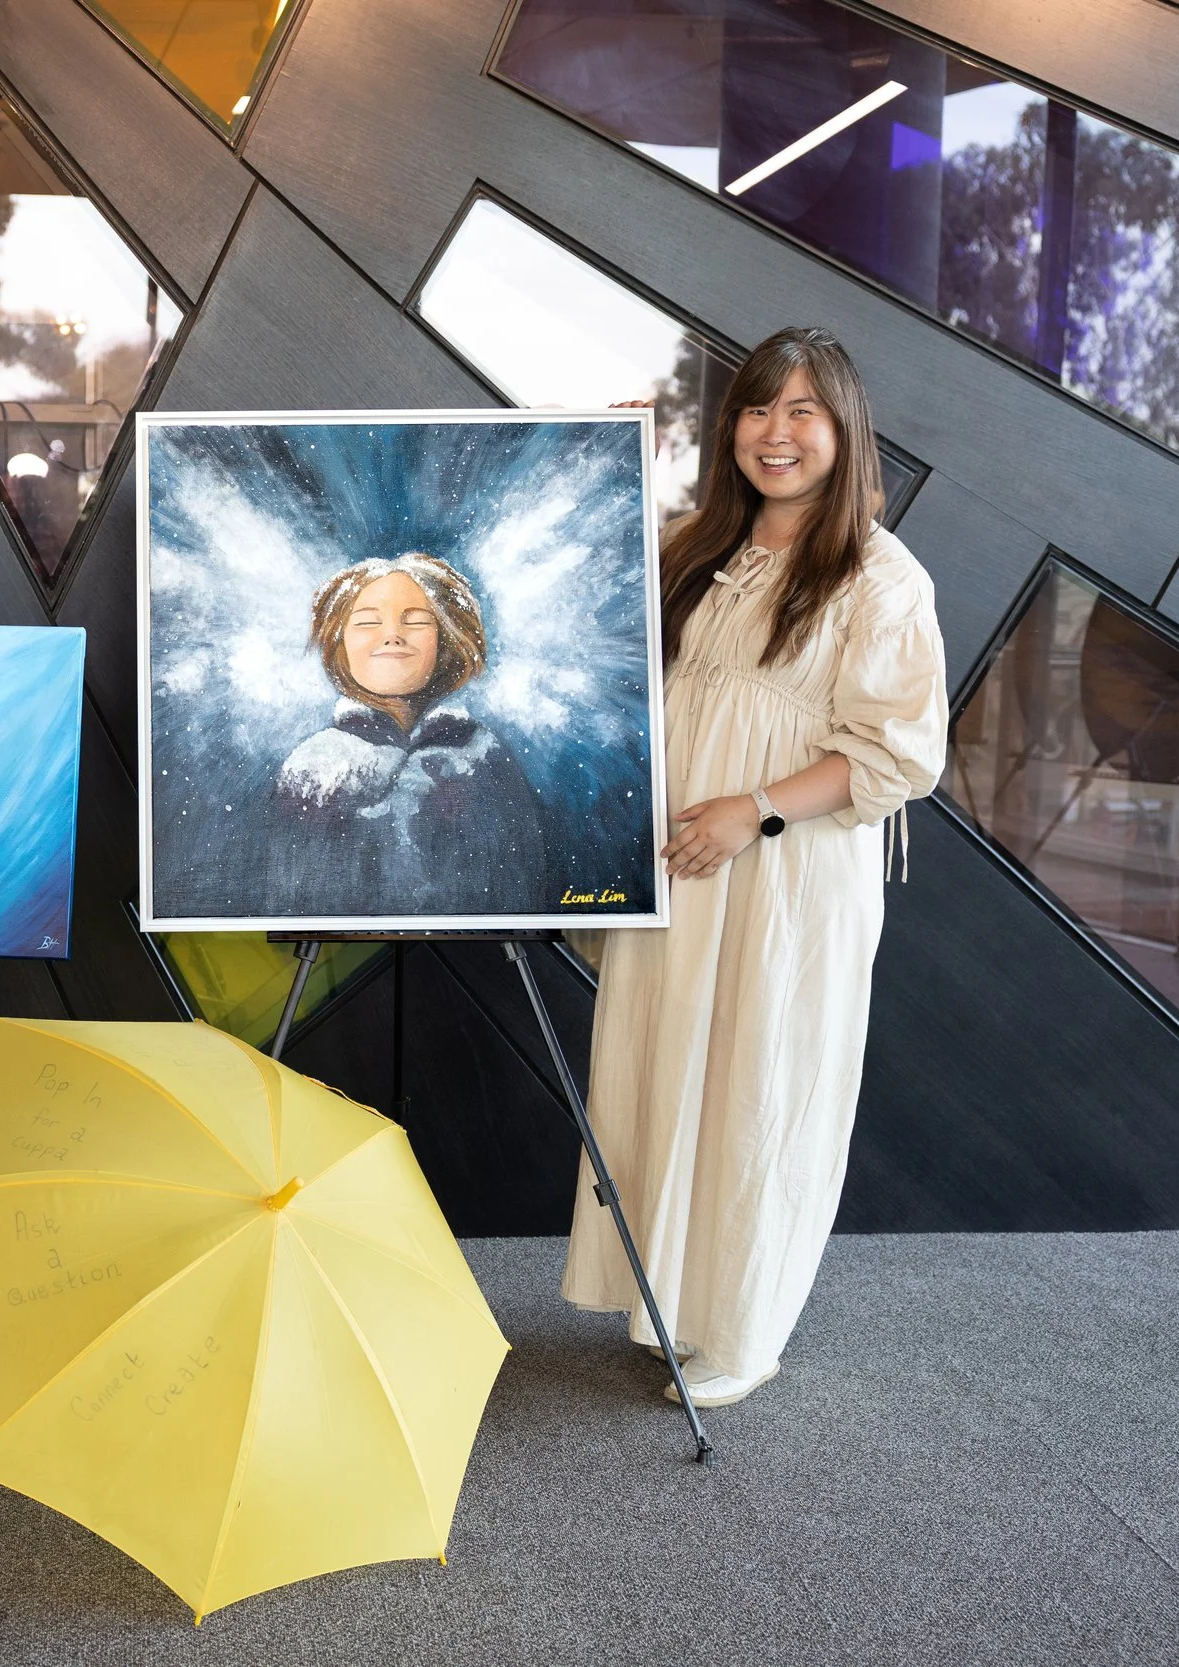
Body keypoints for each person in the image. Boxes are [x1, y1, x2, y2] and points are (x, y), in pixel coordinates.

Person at [565, 328, 946, 1407]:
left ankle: (742, 1327)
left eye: (802, 412)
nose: (774, 434)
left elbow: (898, 754)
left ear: (842, 430)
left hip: (782, 877)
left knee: (759, 1078)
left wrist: (756, 809)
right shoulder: (697, 545)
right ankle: (671, 1296)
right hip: (683, 860)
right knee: (669, 1061)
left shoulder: (877, 575)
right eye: (755, 409)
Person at [266, 552, 550, 916]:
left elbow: (519, 886)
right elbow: (296, 899)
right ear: (339, 642)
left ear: (447, 638)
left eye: (416, 621)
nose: (392, 636)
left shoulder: (483, 754)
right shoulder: (312, 767)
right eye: (367, 622)